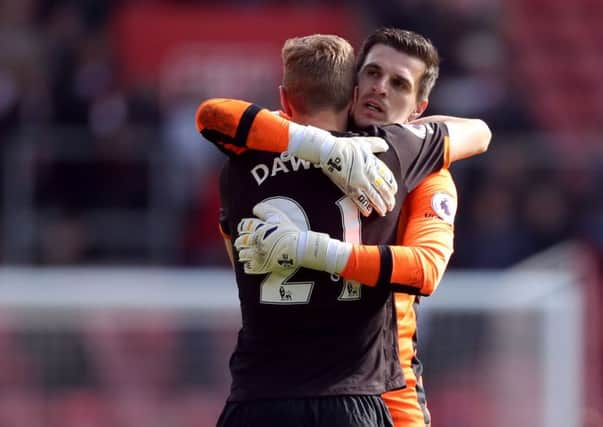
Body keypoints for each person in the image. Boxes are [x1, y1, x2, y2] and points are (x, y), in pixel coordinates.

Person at [197, 28, 491, 426]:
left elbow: (424, 269)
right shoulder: (285, 137)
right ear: (352, 83)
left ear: (419, 108)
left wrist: (311, 249)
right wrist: (322, 146)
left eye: (398, 83)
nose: (380, 89)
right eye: (372, 73)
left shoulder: (424, 170)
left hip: (388, 389)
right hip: (344, 395)